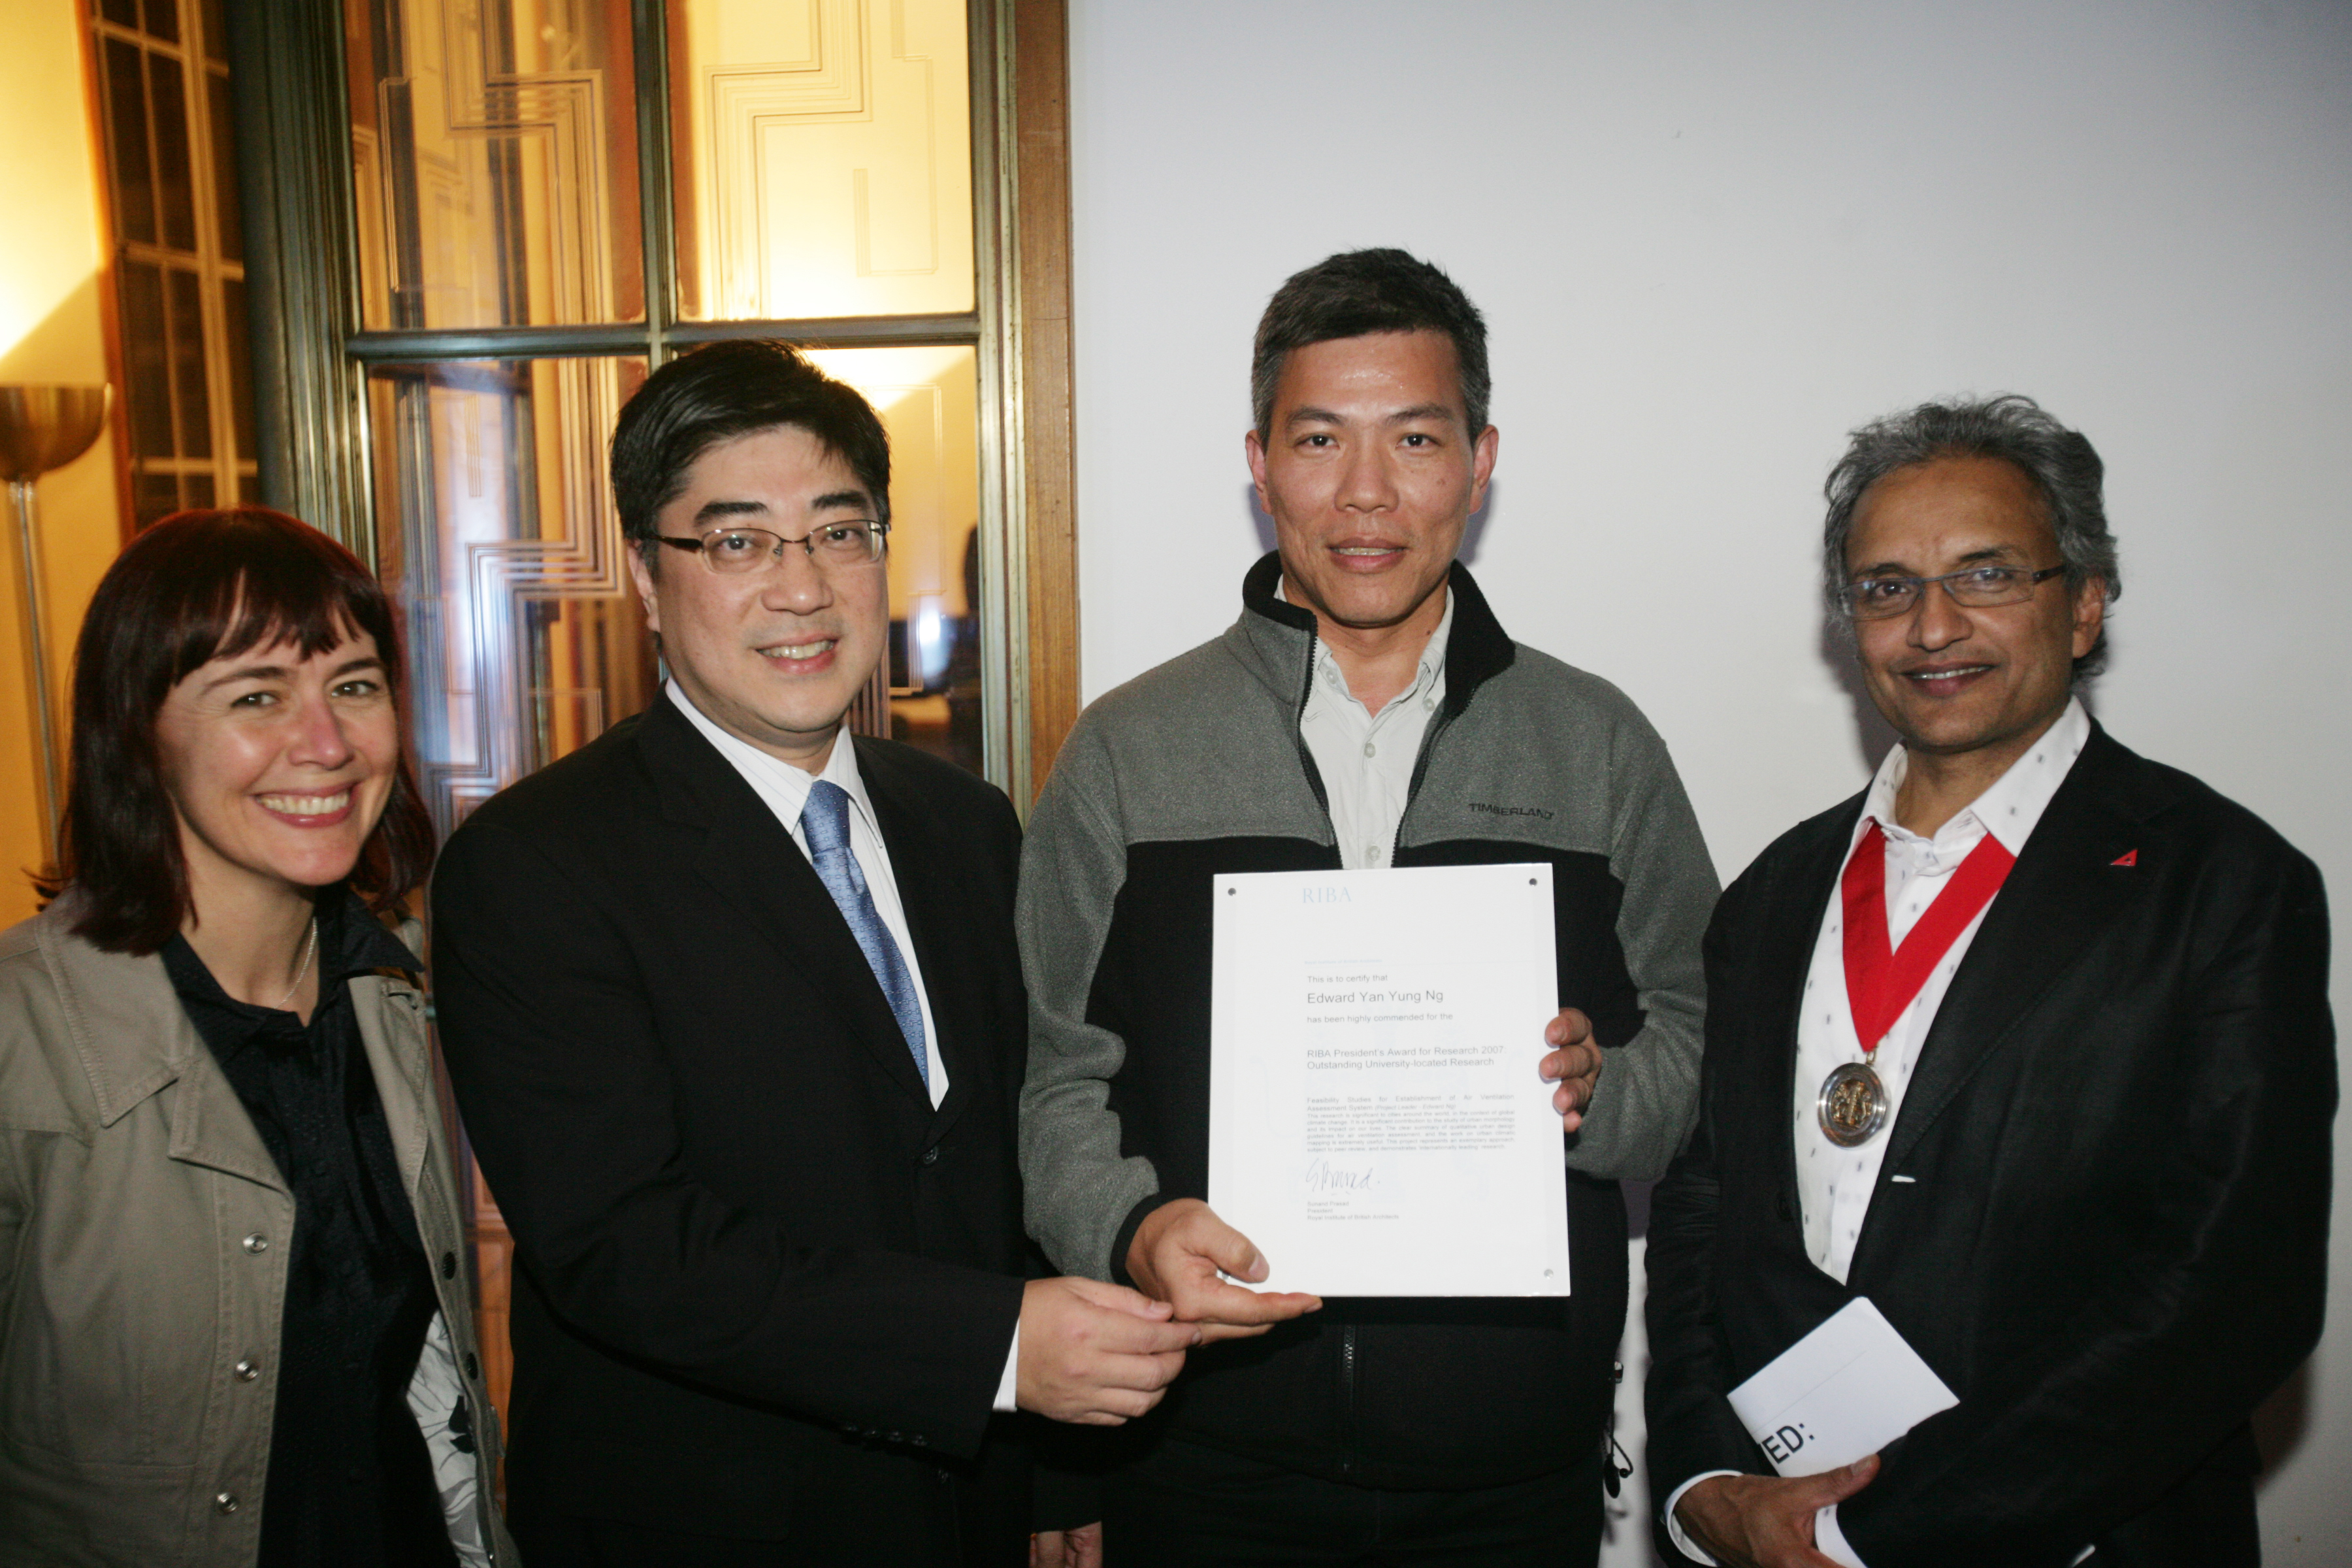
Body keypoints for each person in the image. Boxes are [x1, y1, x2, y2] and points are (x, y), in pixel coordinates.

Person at [427, 340, 1195, 1568]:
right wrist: (991, 1350)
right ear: (642, 569)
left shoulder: (966, 821)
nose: (804, 589)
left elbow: (997, 1161)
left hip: (971, 1506)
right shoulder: (533, 865)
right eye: (738, 543)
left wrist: (1057, 1477)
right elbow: (625, 1245)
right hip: (710, 1519)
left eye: (841, 533)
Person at [1017, 248, 1719, 1564]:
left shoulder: (1597, 744)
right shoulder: (1128, 749)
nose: (1366, 494)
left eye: (1415, 439)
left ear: (1481, 459)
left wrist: (1598, 1091)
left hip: (1511, 1472)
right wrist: (1131, 1225)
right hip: (1208, 1462)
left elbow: (1694, 1040)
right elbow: (1056, 1076)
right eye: (1321, 440)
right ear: (1261, 461)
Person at [1644, 395, 2334, 1568]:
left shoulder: (2221, 882)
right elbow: (1706, 1220)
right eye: (1887, 587)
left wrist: (1886, 1539)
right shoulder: (1774, 892)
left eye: (1988, 574)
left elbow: (2232, 1289)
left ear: (2085, 602)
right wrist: (1709, 1483)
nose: (1933, 627)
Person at [0, 508, 514, 1567]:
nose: (325, 745)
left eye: (355, 686)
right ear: (140, 730)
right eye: (256, 697)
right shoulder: (25, 1038)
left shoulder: (399, 994)